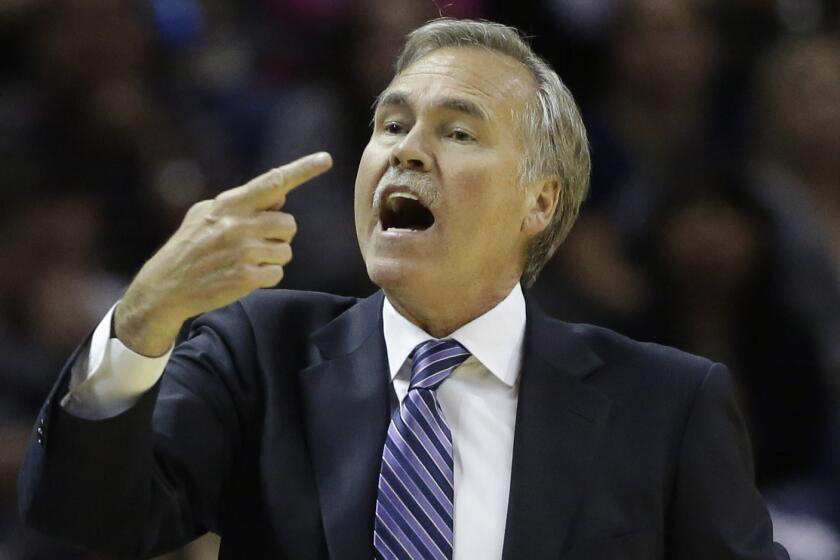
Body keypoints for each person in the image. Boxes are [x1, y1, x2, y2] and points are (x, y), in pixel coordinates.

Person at [18, 18, 787, 559]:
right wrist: (144, 318)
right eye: (390, 125)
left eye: (457, 132)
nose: (407, 151)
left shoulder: (665, 404)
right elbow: (87, 518)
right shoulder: (258, 353)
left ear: (540, 201)